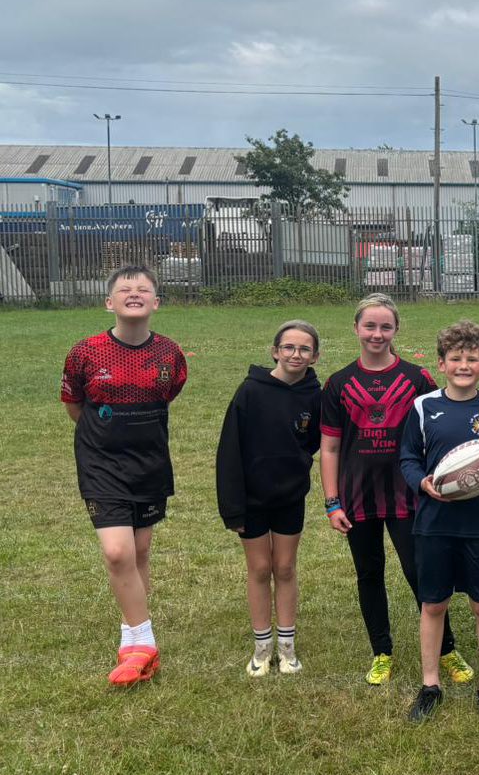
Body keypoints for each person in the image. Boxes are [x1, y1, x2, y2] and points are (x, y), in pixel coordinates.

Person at [320, 293, 473, 687]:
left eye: (385, 326)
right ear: (355, 328)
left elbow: (435, 433)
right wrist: (332, 502)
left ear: (396, 330)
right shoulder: (338, 383)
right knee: (368, 573)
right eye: (369, 325)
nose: (377, 333)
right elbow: (331, 447)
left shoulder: (417, 378)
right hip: (357, 498)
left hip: (409, 495)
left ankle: (447, 649)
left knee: (422, 573)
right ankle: (381, 652)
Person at [61, 264, 188, 685]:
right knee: (118, 553)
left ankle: (131, 638)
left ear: (156, 302)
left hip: (149, 461)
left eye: (144, 289)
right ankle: (145, 641)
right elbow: (74, 404)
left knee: (139, 552)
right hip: (101, 463)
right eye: (124, 288)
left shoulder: (170, 355)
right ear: (109, 302)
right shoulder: (86, 352)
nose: (134, 293)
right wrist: (104, 436)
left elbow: (167, 396)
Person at [400, 321, 479, 722]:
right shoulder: (423, 406)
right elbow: (408, 458)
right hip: (433, 522)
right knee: (433, 603)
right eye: (456, 359)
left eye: (472, 359)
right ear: (441, 364)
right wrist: (423, 482)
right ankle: (430, 684)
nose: (464, 365)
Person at [216, 320, 322, 676]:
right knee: (260, 569)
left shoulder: (314, 394)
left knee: (285, 567)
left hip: (290, 496)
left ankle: (287, 646)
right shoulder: (250, 391)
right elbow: (229, 452)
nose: (296, 354)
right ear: (275, 351)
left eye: (304, 349)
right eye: (289, 347)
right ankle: (262, 647)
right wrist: (233, 507)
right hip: (252, 498)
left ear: (315, 356)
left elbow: (314, 441)